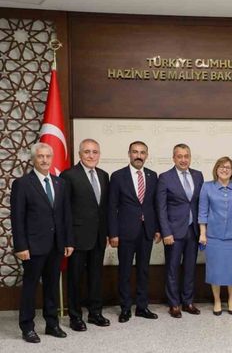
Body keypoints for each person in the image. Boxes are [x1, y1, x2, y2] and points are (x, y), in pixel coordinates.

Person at [11, 142, 74, 343]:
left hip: (56, 245)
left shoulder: (59, 183)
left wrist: (67, 241)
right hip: (33, 246)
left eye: (48, 156)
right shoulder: (22, 184)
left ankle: (51, 323)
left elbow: (65, 216)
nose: (45, 160)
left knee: (52, 285)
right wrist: (21, 246)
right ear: (33, 159)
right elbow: (17, 218)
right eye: (40, 156)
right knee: (30, 287)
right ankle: (27, 327)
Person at [61, 139, 111, 331]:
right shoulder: (69, 175)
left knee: (96, 277)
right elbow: (64, 210)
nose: (91, 156)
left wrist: (106, 233)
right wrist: (68, 239)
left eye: (95, 152)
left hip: (98, 237)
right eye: (87, 152)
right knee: (75, 278)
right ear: (80, 154)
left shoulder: (104, 175)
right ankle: (75, 317)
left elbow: (104, 208)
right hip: (77, 238)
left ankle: (95, 313)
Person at [108, 141, 161, 323]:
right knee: (124, 271)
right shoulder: (117, 176)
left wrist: (157, 229)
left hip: (147, 231)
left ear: (147, 155)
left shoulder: (153, 176)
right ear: (129, 154)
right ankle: (125, 308)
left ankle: (142, 306)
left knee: (143, 270)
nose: (139, 155)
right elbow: (112, 206)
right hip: (125, 232)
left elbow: (155, 205)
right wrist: (113, 233)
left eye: (142, 152)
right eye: (135, 152)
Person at [156, 144, 203, 318]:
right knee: (172, 268)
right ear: (173, 158)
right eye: (179, 156)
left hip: (193, 230)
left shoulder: (198, 175)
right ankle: (174, 304)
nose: (183, 159)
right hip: (173, 232)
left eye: (186, 156)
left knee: (190, 268)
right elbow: (161, 208)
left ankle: (188, 302)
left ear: (190, 157)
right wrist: (166, 232)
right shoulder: (165, 177)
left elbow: (199, 204)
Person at [199, 157, 232, 315]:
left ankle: (231, 300)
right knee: (215, 270)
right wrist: (202, 234)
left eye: (228, 167)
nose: (224, 169)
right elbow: (203, 212)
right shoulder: (207, 187)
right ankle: (217, 301)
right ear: (216, 169)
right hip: (213, 236)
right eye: (221, 166)